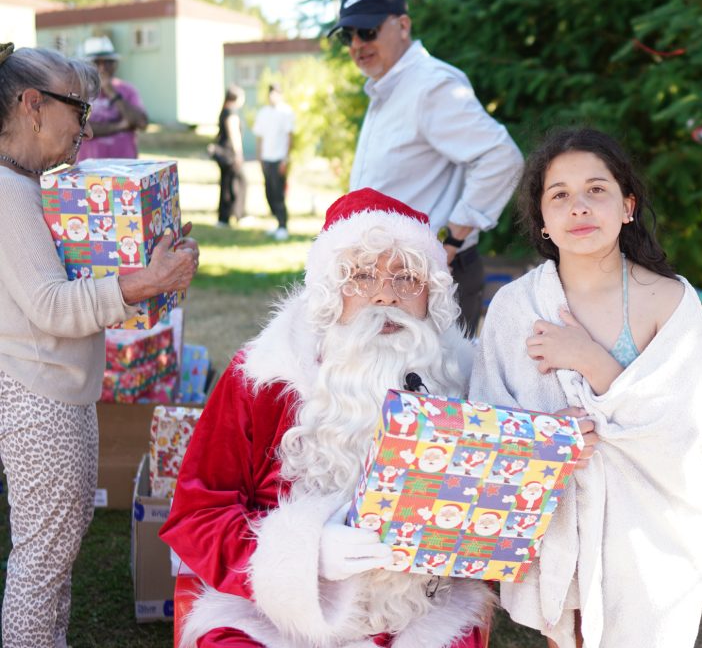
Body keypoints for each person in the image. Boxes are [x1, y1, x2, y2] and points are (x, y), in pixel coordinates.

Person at [160, 188, 494, 648]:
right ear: (330, 291)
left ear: (430, 294)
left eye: (406, 278)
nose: (385, 295)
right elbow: (197, 515)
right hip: (270, 612)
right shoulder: (262, 378)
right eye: (362, 276)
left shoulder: (463, 379)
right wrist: (306, 555)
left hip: (419, 612)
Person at [469, 128, 702, 648]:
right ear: (543, 220)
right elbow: (487, 424)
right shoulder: (516, 308)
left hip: (644, 523)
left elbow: (674, 426)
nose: (579, 206)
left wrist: (588, 358)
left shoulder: (669, 300)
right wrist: (549, 438)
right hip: (560, 521)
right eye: (559, 194)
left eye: (596, 189)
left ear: (627, 206)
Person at [0, 42, 199, 648]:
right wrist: (145, 283)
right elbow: (52, 306)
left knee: (53, 551)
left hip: (54, 390)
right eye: (78, 110)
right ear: (32, 105)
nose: (86, 128)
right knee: (42, 561)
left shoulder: (25, 185)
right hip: (39, 397)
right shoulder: (8, 192)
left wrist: (145, 261)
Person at [328, 0, 523, 335]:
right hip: (392, 278)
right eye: (347, 36)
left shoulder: (431, 85)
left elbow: (501, 157)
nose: (357, 44)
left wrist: (451, 241)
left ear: (403, 25)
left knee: (434, 374)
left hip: (429, 279)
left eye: (368, 31)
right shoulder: (389, 87)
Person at [76, 36, 147, 160]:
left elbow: (141, 122)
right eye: (96, 62)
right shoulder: (79, 92)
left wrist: (112, 93)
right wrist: (120, 126)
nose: (102, 68)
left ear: (115, 65)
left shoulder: (127, 90)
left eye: (108, 62)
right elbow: (81, 128)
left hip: (126, 166)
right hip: (89, 166)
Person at [252, 83, 295, 241]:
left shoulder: (286, 112)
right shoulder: (263, 112)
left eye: (276, 93)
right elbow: (260, 137)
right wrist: (259, 158)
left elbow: (289, 137)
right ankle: (277, 222)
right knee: (269, 193)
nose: (273, 96)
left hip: (279, 159)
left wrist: (285, 159)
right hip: (266, 158)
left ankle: (283, 225)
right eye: (271, 93)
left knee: (278, 194)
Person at [212, 85, 247, 227]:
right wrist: (238, 154)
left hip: (224, 154)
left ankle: (225, 217)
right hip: (230, 154)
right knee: (238, 183)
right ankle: (238, 214)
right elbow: (234, 134)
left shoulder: (224, 111)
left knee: (227, 184)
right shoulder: (231, 112)